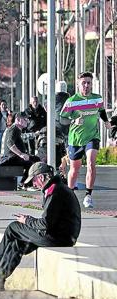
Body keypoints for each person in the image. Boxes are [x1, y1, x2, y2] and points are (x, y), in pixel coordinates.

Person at [0, 162, 81, 290]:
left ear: (41, 177)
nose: (33, 184)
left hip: (59, 237)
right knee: (17, 243)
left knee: (13, 227)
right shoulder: (57, 187)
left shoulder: (55, 191)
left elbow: (45, 224)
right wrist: (29, 221)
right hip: (61, 235)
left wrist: (27, 220)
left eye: (34, 180)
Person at [60, 72, 110, 208]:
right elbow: (62, 118)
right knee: (74, 169)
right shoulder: (72, 101)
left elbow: (101, 111)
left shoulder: (97, 99)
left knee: (90, 162)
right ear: (78, 84)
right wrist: (74, 120)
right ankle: (70, 195)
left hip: (92, 136)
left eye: (88, 83)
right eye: (84, 83)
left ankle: (88, 195)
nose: (86, 86)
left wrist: (106, 122)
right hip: (75, 139)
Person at [0, 112, 40, 187]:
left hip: (11, 158)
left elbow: (23, 137)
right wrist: (21, 154)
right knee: (33, 162)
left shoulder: (16, 130)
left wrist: (35, 134)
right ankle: (25, 184)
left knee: (33, 159)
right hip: (9, 158)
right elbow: (9, 143)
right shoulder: (14, 129)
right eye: (25, 119)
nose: (27, 121)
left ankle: (23, 183)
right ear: (18, 119)